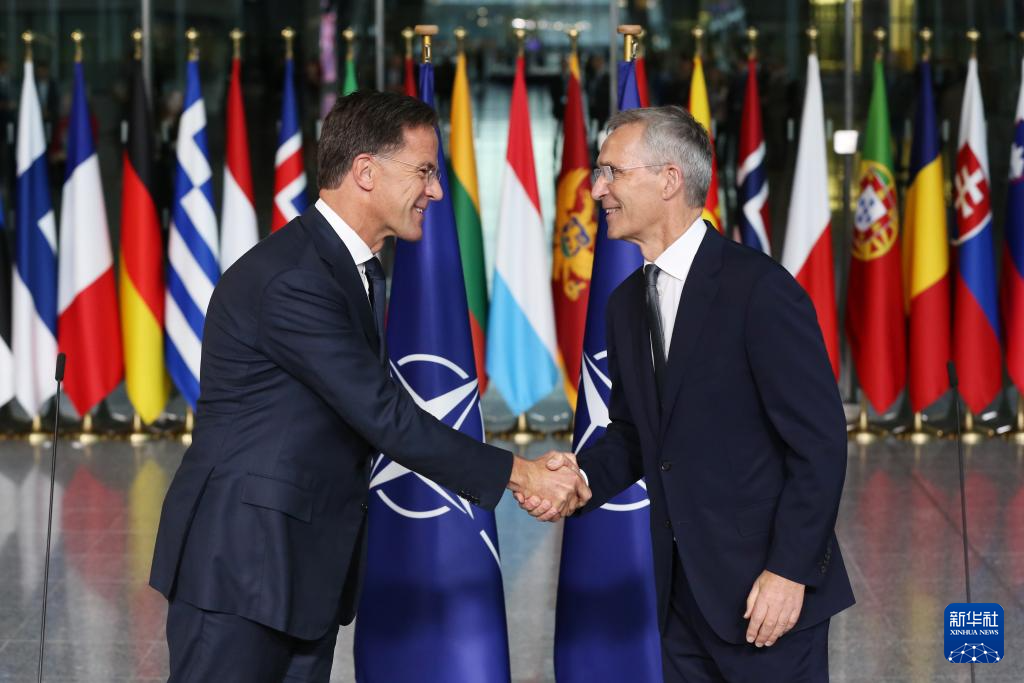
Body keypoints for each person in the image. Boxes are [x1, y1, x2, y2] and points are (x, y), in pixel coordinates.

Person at [150, 90, 590, 683]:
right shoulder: (295, 279)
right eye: (424, 172)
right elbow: (383, 415)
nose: (436, 191)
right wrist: (521, 474)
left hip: (299, 569)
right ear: (365, 171)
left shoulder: (351, 268)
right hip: (242, 567)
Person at [522, 106, 854, 681]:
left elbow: (819, 444)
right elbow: (636, 433)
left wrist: (789, 571)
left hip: (766, 598)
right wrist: (580, 480)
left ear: (669, 179)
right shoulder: (625, 304)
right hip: (680, 601)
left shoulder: (760, 291)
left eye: (612, 172)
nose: (597, 189)